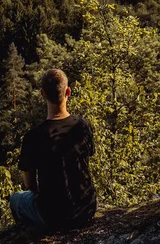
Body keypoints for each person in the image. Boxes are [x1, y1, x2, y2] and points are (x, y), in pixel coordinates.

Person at [10, 69, 97, 232]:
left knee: (15, 199)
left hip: (54, 218)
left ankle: (29, 234)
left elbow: (30, 184)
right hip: (87, 209)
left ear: (42, 94)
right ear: (68, 92)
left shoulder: (33, 136)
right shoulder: (82, 126)